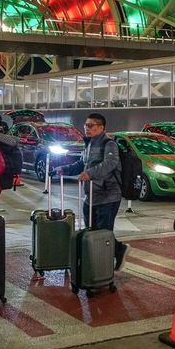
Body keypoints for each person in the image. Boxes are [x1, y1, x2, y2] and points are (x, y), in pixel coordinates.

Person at [56, 112, 127, 269]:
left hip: (108, 195)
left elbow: (111, 163)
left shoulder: (109, 144)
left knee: (103, 233)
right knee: (93, 231)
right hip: (91, 196)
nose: (87, 128)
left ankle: (104, 267)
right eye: (85, 125)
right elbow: (82, 164)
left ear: (101, 127)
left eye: (91, 126)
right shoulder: (89, 144)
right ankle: (114, 251)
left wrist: (90, 173)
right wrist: (65, 169)